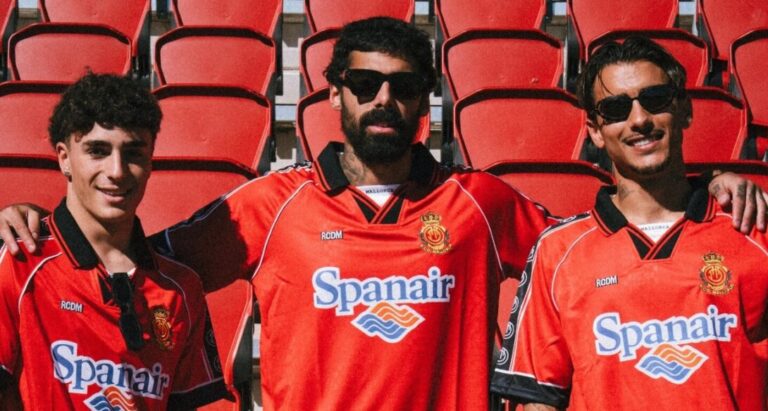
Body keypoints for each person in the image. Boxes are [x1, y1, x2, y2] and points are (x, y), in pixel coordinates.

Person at [0, 19, 765, 410]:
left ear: (427, 102)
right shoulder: (272, 202)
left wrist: (716, 187)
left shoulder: (479, 201)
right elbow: (124, 255)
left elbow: (609, 241)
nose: (383, 101)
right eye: (364, 84)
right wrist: (30, 216)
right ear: (333, 97)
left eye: (402, 87)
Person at [491, 37, 767, 410]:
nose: (639, 120)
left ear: (684, 110)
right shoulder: (558, 251)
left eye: (654, 100)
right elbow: (539, 400)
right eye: (616, 108)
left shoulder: (752, 228)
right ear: (594, 131)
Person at [0, 73, 227, 409]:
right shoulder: (19, 261)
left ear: (151, 161)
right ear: (64, 158)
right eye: (98, 151)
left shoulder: (181, 287)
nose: (117, 171)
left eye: (133, 153)